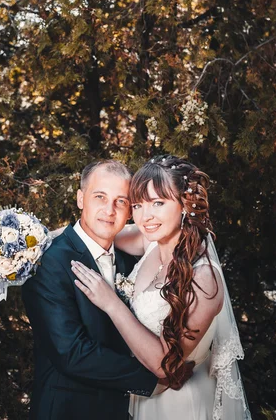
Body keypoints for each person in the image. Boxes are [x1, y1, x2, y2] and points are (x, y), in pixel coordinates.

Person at [72, 155, 251, 420]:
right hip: (140, 394)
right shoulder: (151, 241)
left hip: (178, 403)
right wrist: (33, 242)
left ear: (184, 204)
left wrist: (112, 303)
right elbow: (95, 230)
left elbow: (165, 367)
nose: (146, 217)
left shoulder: (204, 279)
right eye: (138, 205)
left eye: (158, 203)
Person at [21, 160, 192, 420]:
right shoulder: (49, 261)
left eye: (121, 201)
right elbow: (71, 353)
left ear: (129, 212)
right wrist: (152, 381)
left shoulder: (133, 261)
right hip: (67, 411)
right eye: (100, 197)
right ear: (81, 199)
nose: (109, 210)